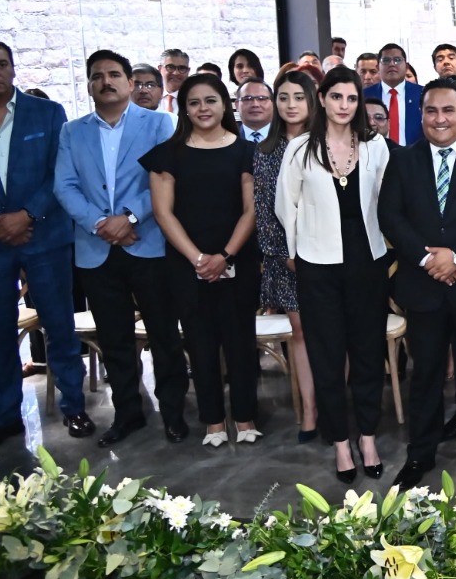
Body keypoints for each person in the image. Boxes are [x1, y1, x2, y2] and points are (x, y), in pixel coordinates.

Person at [53, 50, 187, 445]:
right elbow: (64, 185)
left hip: (148, 242)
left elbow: (167, 177)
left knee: (164, 334)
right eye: (97, 76)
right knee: (114, 339)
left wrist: (129, 218)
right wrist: (101, 223)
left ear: (130, 82)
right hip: (95, 247)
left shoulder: (159, 123)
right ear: (89, 85)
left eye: (114, 74)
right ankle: (128, 414)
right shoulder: (72, 131)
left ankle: (174, 414)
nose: (106, 81)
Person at [381, 80, 456, 492]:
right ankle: (420, 453)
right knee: (426, 375)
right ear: (421, 115)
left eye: (448, 110)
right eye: (431, 111)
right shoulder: (402, 160)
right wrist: (428, 260)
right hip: (423, 288)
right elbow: (391, 216)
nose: (439, 119)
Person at [277, 66, 392, 482]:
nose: (344, 105)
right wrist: (295, 251)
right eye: (337, 96)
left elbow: (387, 200)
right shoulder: (300, 148)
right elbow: (285, 205)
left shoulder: (375, 145)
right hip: (317, 265)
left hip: (369, 262)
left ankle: (368, 438)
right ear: (322, 99)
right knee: (327, 356)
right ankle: (340, 442)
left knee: (367, 354)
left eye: (352, 98)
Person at [142, 73, 261, 448]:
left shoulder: (246, 151)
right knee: (200, 342)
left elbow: (251, 210)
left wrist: (225, 256)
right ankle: (212, 420)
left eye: (211, 100)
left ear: (225, 105)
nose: (203, 108)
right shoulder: (168, 154)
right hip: (186, 263)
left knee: (240, 341)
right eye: (194, 103)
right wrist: (198, 259)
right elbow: (163, 213)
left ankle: (245, 416)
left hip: (237, 258)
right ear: (183, 109)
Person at [0, 40, 90, 445]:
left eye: (1, 64)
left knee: (59, 326)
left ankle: (74, 407)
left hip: (44, 235)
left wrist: (27, 215)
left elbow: (60, 171)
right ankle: (6, 415)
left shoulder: (47, 113)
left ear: (13, 69)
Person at [254, 69, 319, 442]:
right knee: (302, 332)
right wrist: (287, 254)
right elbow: (264, 212)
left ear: (312, 101)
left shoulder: (327, 143)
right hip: (287, 261)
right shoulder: (266, 151)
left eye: (298, 97)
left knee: (335, 333)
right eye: (283, 97)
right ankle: (309, 411)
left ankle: (331, 403)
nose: (291, 104)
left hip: (329, 256)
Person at [366, 43, 424, 145]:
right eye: (386, 60)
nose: (392, 64)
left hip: (416, 153)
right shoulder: (365, 95)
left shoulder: (422, 93)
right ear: (378, 67)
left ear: (406, 66)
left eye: (397, 60)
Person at [236, 79, 274, 143]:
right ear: (237, 105)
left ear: (273, 104)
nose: (255, 104)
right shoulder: (227, 138)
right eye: (247, 99)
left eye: (262, 98)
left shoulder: (287, 137)